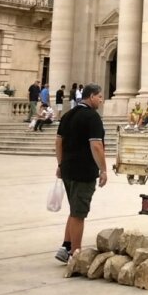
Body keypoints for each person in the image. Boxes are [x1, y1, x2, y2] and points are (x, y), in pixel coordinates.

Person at [54, 83, 107, 263]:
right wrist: (104, 169)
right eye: (100, 97)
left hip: (67, 169)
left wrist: (60, 164)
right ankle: (75, 254)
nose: (101, 100)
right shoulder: (92, 117)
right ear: (91, 96)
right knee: (79, 213)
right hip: (83, 171)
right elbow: (96, 145)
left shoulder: (68, 115)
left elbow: (58, 142)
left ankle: (66, 246)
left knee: (74, 209)